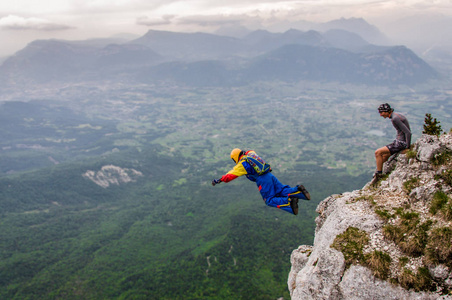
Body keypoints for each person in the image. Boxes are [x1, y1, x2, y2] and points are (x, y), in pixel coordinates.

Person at [211, 148, 310, 215]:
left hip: (262, 180)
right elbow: (251, 150)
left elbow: (230, 175)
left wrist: (219, 180)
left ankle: (289, 202)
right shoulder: (251, 154)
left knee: (269, 200)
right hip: (269, 175)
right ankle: (299, 191)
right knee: (281, 190)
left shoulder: (242, 164)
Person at [373, 103, 411, 180]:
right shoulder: (396, 116)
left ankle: (379, 174)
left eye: (381, 112)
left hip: (400, 143)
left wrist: (407, 147)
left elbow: (408, 133)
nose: (380, 115)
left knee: (378, 152)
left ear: (386, 111)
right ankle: (378, 171)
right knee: (384, 156)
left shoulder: (395, 118)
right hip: (399, 142)